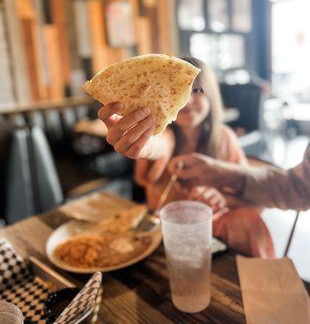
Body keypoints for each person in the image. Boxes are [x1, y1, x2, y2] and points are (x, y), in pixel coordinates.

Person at [98, 57, 275, 257]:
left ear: (212, 96)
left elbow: (246, 191)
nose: (187, 100)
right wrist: (142, 143)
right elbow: (156, 146)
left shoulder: (225, 138)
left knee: (250, 222)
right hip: (169, 234)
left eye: (197, 91)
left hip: (213, 232)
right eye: (177, 92)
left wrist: (221, 198)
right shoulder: (165, 136)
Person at [168, 143, 310, 211]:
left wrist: (224, 199)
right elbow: (297, 188)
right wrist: (218, 171)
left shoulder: (226, 139)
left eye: (197, 92)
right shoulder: (169, 139)